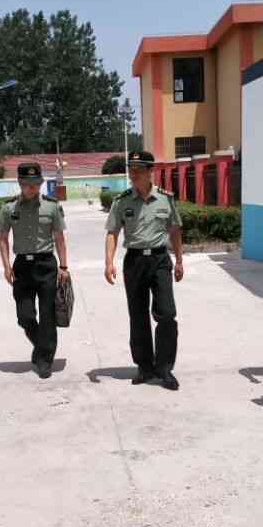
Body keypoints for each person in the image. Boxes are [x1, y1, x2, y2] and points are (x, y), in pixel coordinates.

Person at [105, 151, 184, 390]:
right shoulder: (122, 201)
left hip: (160, 260)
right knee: (138, 315)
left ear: (151, 171)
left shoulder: (165, 199)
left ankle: (165, 368)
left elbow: (175, 230)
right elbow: (112, 232)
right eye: (131, 170)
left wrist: (179, 261)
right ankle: (145, 367)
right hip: (135, 261)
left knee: (167, 314)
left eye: (138, 170)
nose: (133, 174)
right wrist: (108, 262)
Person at [0, 162, 70, 379]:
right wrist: (6, 266)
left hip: (46, 265)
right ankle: (42, 348)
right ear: (20, 182)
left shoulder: (52, 207)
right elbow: (3, 239)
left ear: (40, 183)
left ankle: (44, 360)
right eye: (28, 184)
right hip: (22, 267)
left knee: (48, 315)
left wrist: (63, 266)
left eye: (36, 183)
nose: (32, 187)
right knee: (25, 316)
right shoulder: (9, 208)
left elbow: (59, 238)